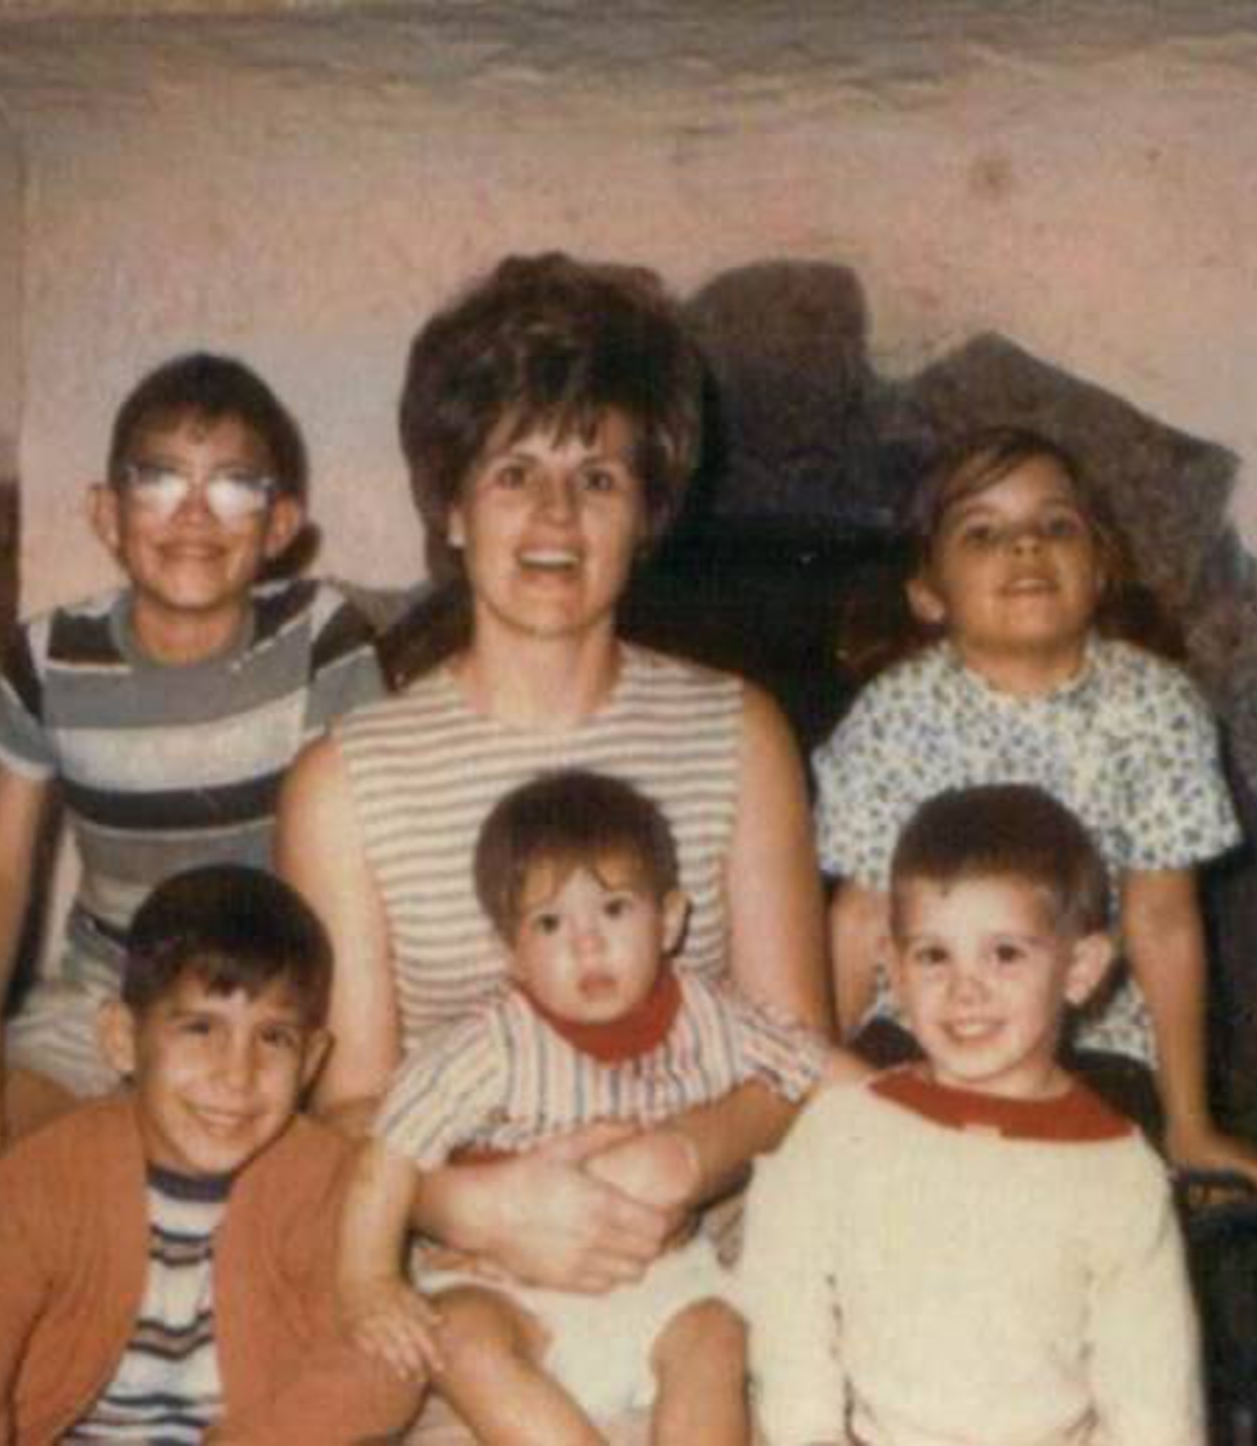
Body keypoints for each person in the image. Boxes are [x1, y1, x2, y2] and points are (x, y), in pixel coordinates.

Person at [277, 251, 831, 1316]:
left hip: (722, 1275)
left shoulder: (739, 735)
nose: (555, 516)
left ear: (644, 518)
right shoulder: (344, 785)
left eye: (598, 478)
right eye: (511, 473)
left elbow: (796, 1067)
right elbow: (347, 1104)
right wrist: (479, 1209)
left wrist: (678, 1159)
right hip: (470, 1285)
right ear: (450, 509)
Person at [0, 351, 390, 1241]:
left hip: (268, 1013)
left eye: (234, 487)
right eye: (158, 481)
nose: (194, 514)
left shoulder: (323, 641)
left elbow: (371, 866)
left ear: (281, 525)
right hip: (106, 1002)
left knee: (317, 1204)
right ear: (105, 514)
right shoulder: (48, 657)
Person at [814, 424, 1257, 1194]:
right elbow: (860, 919)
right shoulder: (891, 715)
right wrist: (814, 1080)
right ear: (929, 593)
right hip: (925, 1026)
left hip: (1090, 1038)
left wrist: (1189, 1119)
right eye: (984, 532)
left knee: (1080, 1193)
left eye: (1055, 526)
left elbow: (1162, 920)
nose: (1026, 546)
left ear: (1099, 567)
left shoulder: (1157, 707)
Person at [337, 770, 830, 1444]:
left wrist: (916, 1108)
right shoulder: (487, 1042)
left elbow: (812, 1067)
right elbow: (388, 1150)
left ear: (671, 919)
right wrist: (366, 1278)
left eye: (615, 909)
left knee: (717, 1336)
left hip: (659, 1278)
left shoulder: (710, 1015)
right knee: (457, 1336)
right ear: (510, 952)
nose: (586, 944)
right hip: (510, 1289)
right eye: (549, 922)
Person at [0, 864, 422, 1445]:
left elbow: (385, 1363)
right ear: (121, 1039)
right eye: (199, 1029)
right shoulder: (45, 1175)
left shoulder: (330, 1183)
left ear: (312, 1061)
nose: (237, 1075)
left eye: (273, 1038)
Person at [739, 784, 1206, 1446]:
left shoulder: (1117, 1171)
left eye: (1005, 953)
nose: (966, 988)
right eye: (934, 955)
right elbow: (784, 1291)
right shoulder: (845, 1128)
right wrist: (809, 1431)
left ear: (1080, 968)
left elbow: (1154, 1399)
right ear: (893, 971)